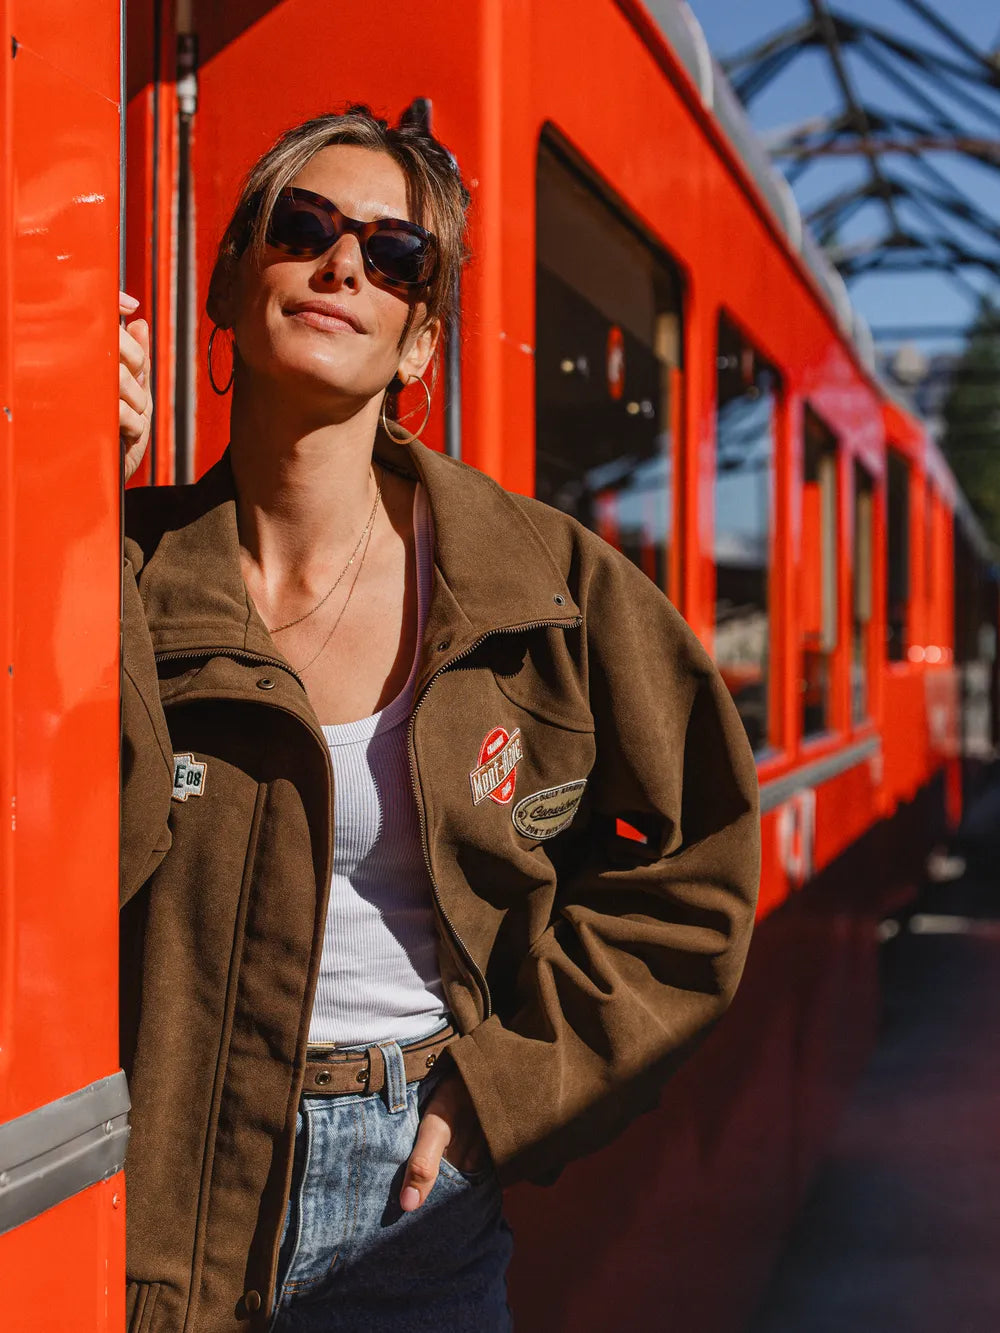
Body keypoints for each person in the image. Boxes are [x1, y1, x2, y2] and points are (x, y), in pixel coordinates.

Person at [116, 106, 760, 1333]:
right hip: (169, 1187)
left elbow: (697, 874)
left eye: (395, 254)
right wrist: (62, 506)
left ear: (420, 341)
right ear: (230, 283)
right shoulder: (126, 569)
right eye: (302, 226)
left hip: (413, 1198)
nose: (342, 263)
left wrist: (505, 1093)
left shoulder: (544, 587)